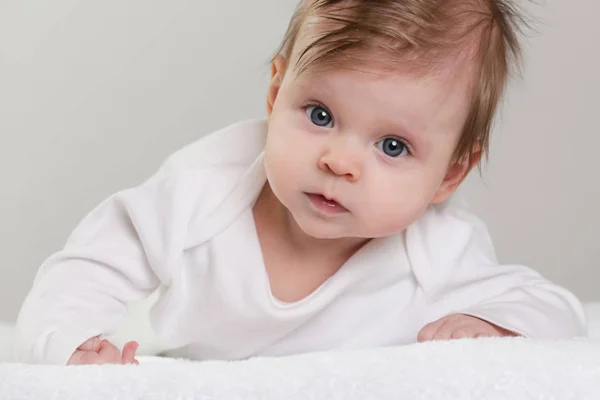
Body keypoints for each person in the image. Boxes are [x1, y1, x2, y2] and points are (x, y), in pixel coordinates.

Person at [15, 0, 586, 365]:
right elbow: (83, 271)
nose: (340, 162)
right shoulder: (204, 191)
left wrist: (486, 325)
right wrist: (74, 347)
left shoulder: (437, 249)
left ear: (451, 172)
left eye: (393, 146)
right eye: (320, 114)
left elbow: (556, 312)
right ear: (276, 91)